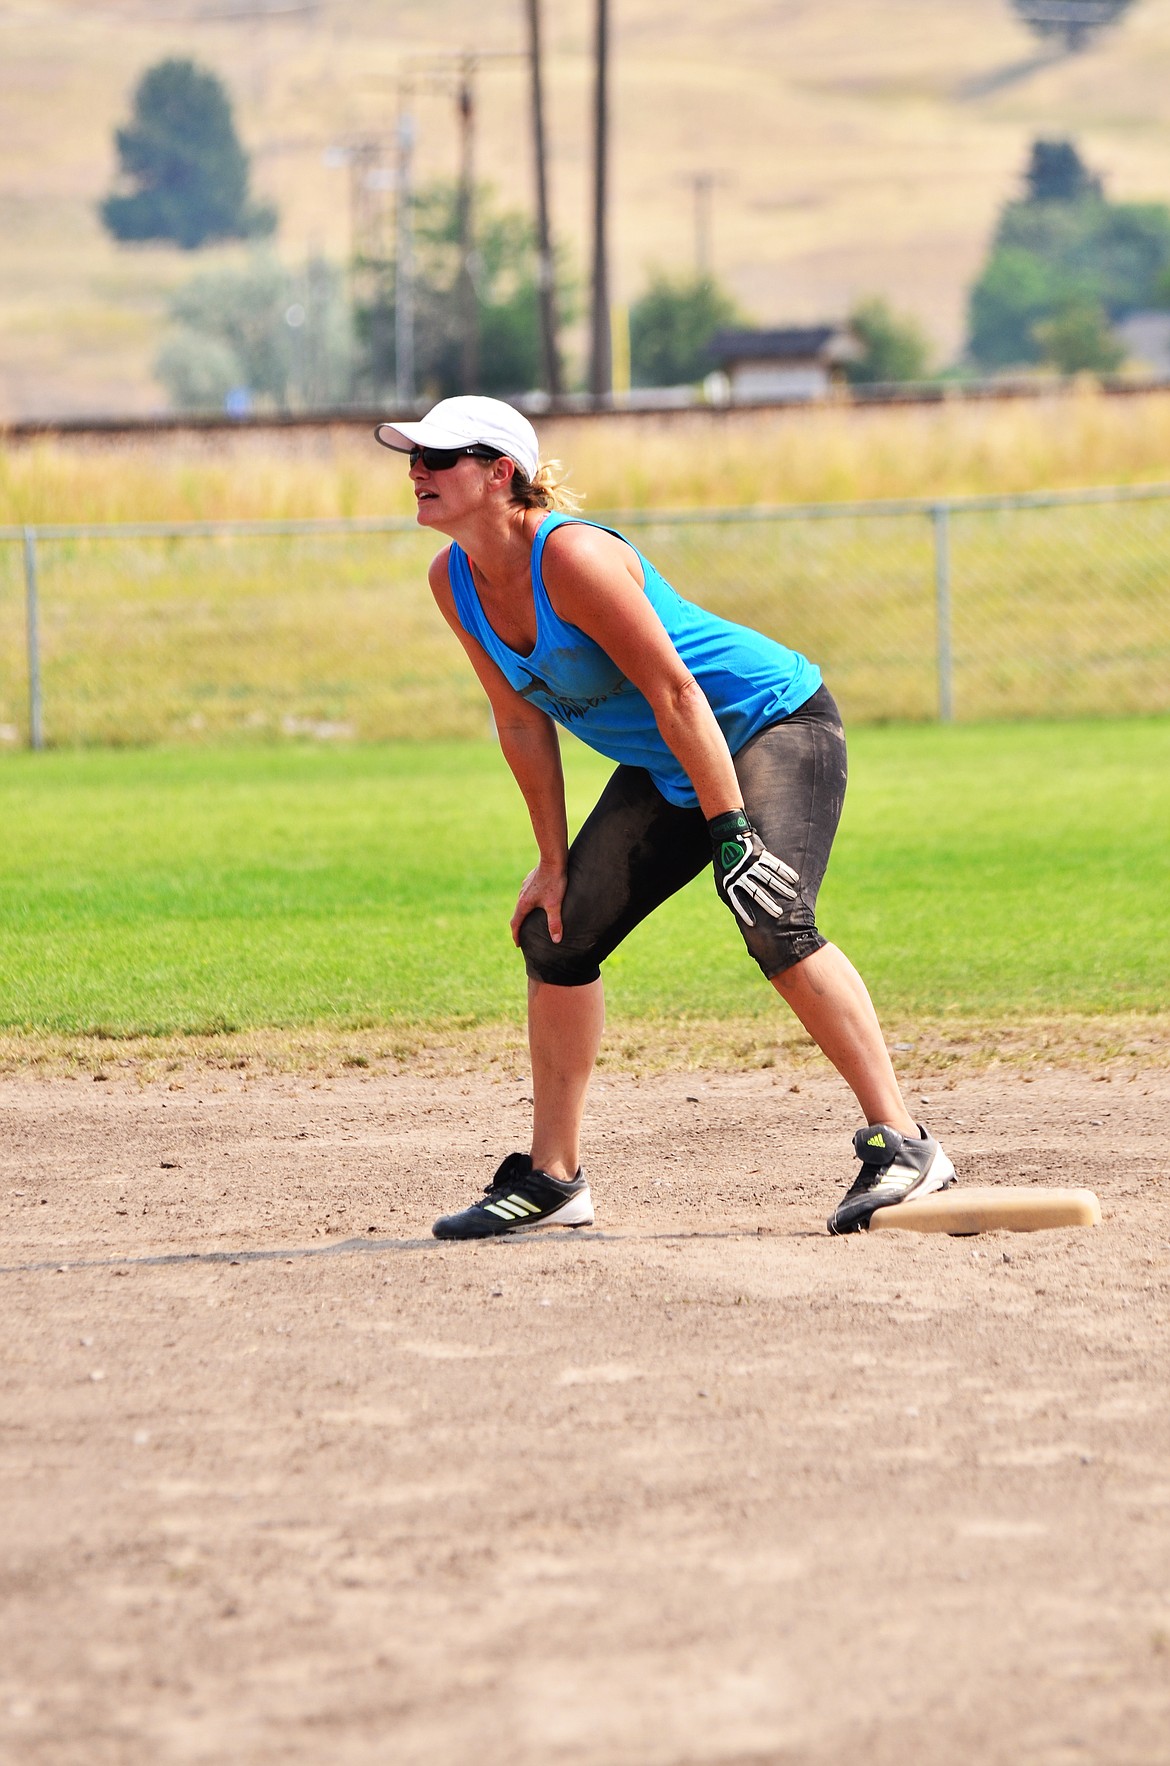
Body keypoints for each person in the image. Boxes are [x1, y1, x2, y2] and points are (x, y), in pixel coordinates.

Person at [373, 396, 955, 1240]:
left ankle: (905, 1144)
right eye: (412, 458)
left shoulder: (571, 557)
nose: (418, 471)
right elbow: (520, 720)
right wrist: (551, 860)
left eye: (440, 456)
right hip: (671, 759)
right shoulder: (453, 582)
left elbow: (678, 693)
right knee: (557, 936)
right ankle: (554, 1178)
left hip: (766, 723)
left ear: (501, 473)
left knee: (770, 913)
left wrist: (732, 833)